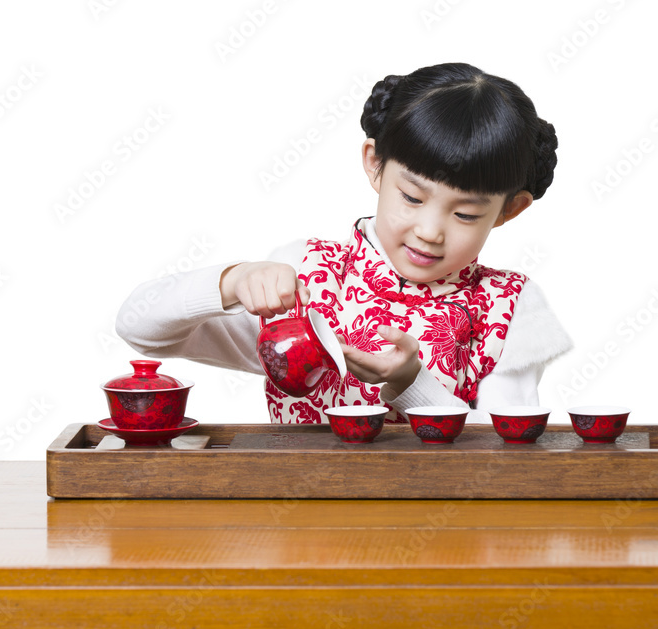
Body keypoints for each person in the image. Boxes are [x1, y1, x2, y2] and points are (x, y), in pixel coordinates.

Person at [116, 62, 572, 424]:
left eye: (466, 214)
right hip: (306, 529)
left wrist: (412, 383)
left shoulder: (510, 307)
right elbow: (139, 328)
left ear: (510, 210)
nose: (430, 231)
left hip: (446, 534)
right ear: (375, 165)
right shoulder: (307, 274)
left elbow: (504, 454)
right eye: (412, 197)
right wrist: (234, 281)